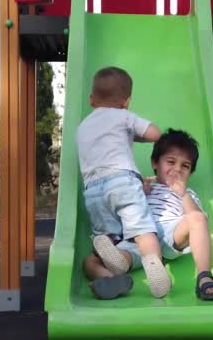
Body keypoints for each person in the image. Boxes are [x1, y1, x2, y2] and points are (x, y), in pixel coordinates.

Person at [83, 129, 213, 301]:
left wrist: (182, 194)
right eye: (171, 162)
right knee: (90, 261)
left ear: (190, 172)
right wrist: (137, 192)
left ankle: (205, 278)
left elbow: (195, 218)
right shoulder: (139, 185)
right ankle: (112, 279)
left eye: (185, 166)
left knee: (198, 217)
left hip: (171, 233)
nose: (177, 170)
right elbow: (123, 210)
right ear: (155, 163)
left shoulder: (187, 193)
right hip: (140, 236)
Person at [76, 66, 171, 299]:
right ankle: (155, 271)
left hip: (93, 193)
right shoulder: (124, 116)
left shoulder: (82, 127)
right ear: (126, 101)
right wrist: (132, 130)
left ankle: (106, 275)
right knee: (143, 231)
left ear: (91, 100)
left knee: (104, 244)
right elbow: (155, 134)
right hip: (122, 183)